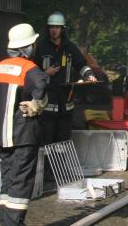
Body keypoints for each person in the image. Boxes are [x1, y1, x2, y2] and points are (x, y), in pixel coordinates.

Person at [0, 24, 49, 225]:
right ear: (27, 47)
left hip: (2, 136)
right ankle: (14, 222)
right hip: (24, 135)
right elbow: (41, 87)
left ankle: (5, 221)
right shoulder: (30, 69)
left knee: (7, 179)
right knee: (21, 182)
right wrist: (37, 104)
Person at [33, 12, 98, 146]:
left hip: (66, 103)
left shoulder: (70, 47)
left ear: (62, 29)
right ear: (48, 29)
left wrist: (89, 74)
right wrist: (46, 73)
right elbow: (32, 72)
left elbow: (81, 64)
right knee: (47, 141)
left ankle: (61, 166)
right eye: (51, 27)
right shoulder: (41, 47)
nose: (54, 30)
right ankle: (47, 167)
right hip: (47, 104)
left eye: (57, 27)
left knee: (63, 140)